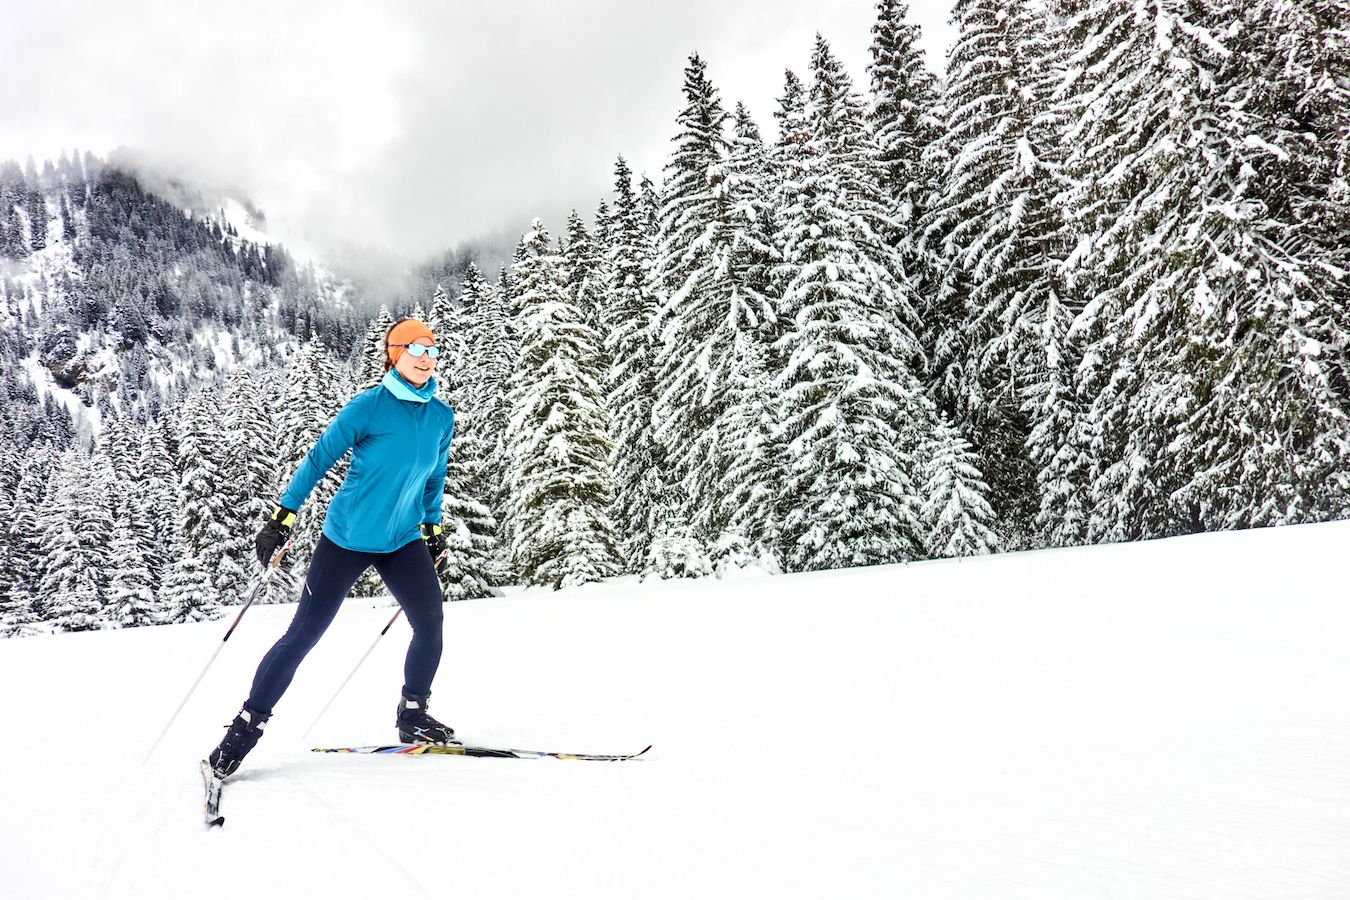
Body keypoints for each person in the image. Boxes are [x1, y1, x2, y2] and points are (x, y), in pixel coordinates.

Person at [208, 318, 457, 777]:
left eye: (431, 349)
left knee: (430, 622)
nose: (425, 356)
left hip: (402, 541)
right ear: (393, 354)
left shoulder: (441, 417)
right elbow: (319, 458)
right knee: (302, 636)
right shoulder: (369, 407)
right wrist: (283, 515)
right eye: (414, 348)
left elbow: (433, 480)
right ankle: (242, 731)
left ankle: (413, 713)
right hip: (346, 540)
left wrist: (432, 527)